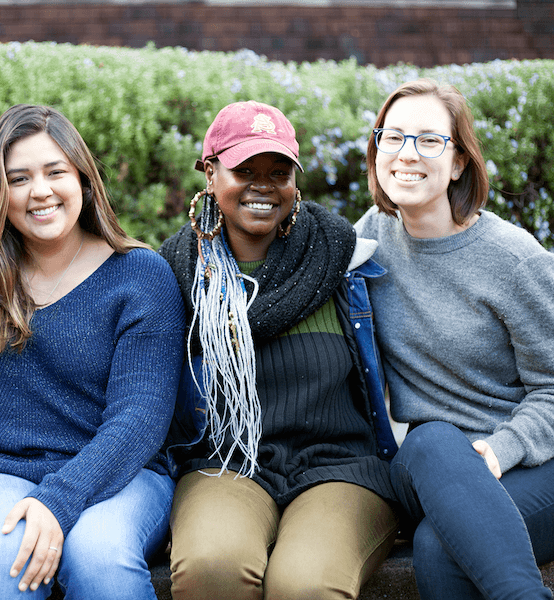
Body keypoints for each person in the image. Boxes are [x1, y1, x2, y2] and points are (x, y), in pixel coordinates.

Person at [0, 104, 185, 600]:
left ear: (83, 180)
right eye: (18, 178)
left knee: (99, 559)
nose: (39, 190)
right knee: (10, 560)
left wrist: (59, 498)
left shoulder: (140, 275)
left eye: (55, 172)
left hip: (117, 475)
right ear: (0, 192)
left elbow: (140, 417)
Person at [355, 78, 554, 600]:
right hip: (428, 466)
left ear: (460, 160)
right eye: (391, 138)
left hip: (540, 467)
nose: (406, 155)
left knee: (439, 550)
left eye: (428, 140)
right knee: (431, 438)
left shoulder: (516, 261)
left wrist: (500, 449)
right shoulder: (370, 240)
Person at [158, 100, 400, 600]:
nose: (263, 185)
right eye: (244, 170)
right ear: (210, 171)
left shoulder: (340, 261)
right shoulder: (175, 274)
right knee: (212, 565)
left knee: (306, 584)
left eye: (279, 171)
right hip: (224, 465)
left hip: (340, 468)